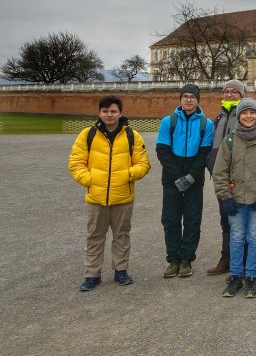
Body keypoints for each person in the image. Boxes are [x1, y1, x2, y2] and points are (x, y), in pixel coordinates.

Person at [68, 95, 151, 291]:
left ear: (120, 113)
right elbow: (75, 163)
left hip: (122, 196)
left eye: (113, 111)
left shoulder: (132, 135)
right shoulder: (87, 135)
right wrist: (90, 180)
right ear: (99, 113)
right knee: (95, 236)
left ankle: (121, 270)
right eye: (105, 111)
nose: (109, 115)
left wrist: (128, 175)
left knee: (121, 235)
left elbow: (144, 164)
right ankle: (92, 274)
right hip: (96, 197)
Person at [212, 98, 256, 298]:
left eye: (252, 113)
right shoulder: (229, 142)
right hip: (235, 200)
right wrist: (225, 197)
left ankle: (251, 276)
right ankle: (236, 275)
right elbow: (220, 172)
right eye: (244, 113)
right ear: (239, 116)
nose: (248, 116)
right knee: (236, 237)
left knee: (254, 236)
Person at [156, 84, 214, 279]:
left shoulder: (207, 124)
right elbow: (162, 151)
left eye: (192, 97)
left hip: (194, 178)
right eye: (185, 97)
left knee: (192, 220)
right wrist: (177, 177)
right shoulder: (168, 122)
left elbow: (205, 153)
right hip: (171, 178)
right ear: (180, 99)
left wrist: (190, 176)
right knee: (170, 220)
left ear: (198, 100)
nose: (188, 100)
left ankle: (187, 259)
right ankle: (173, 259)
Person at [206, 79, 247, 276]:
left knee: (240, 220)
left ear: (241, 95)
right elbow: (211, 149)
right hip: (220, 179)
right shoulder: (218, 119)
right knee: (225, 220)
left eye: (234, 92)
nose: (229, 95)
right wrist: (212, 168)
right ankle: (226, 258)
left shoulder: (245, 117)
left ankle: (241, 261)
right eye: (226, 92)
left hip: (239, 179)